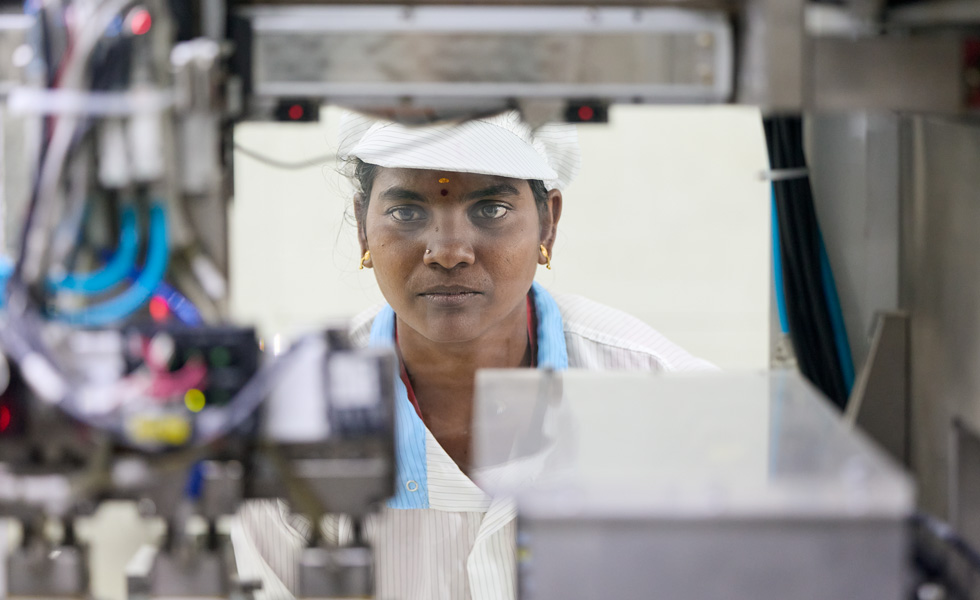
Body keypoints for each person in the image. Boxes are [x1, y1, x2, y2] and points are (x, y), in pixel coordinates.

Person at [231, 110, 714, 600]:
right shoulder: (289, 418)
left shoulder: (661, 394)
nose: (448, 250)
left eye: (490, 209)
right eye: (406, 213)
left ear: (548, 223)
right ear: (362, 226)